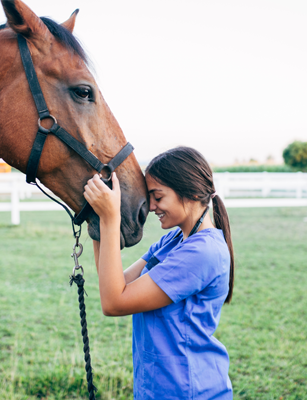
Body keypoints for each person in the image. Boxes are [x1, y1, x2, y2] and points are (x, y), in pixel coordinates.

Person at [84, 146, 235, 399]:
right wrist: (99, 219)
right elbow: (114, 283)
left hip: (188, 390)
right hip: (158, 387)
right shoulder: (174, 240)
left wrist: (111, 219)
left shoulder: (203, 252)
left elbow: (113, 303)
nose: (152, 206)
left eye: (158, 196)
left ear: (190, 193)